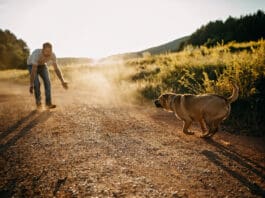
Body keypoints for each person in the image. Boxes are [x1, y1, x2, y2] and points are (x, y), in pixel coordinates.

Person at [27, 42, 68, 109]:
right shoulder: (37, 54)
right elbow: (33, 71)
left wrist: (62, 81)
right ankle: (39, 104)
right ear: (43, 50)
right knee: (37, 84)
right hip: (32, 65)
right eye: (47, 51)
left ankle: (48, 104)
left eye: (50, 51)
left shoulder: (52, 55)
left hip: (42, 65)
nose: (49, 53)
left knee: (47, 82)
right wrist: (31, 84)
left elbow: (56, 69)